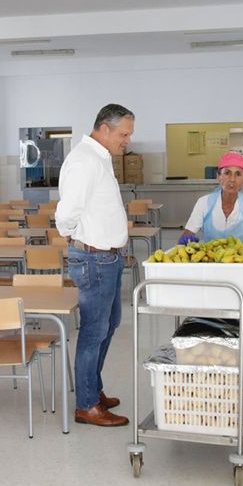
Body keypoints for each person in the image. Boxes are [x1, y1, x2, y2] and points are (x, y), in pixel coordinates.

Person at [54, 104, 134, 427]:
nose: (127, 141)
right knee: (93, 331)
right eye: (123, 134)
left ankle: (93, 388)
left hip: (108, 257)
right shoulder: (85, 161)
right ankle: (86, 404)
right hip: (94, 258)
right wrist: (80, 241)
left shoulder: (100, 159)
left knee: (109, 324)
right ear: (103, 128)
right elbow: (66, 214)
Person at [179, 151, 243, 246]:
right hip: (210, 262)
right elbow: (187, 233)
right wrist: (185, 239)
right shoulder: (204, 203)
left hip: (242, 262)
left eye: (238, 174)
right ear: (219, 176)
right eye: (227, 173)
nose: (232, 179)